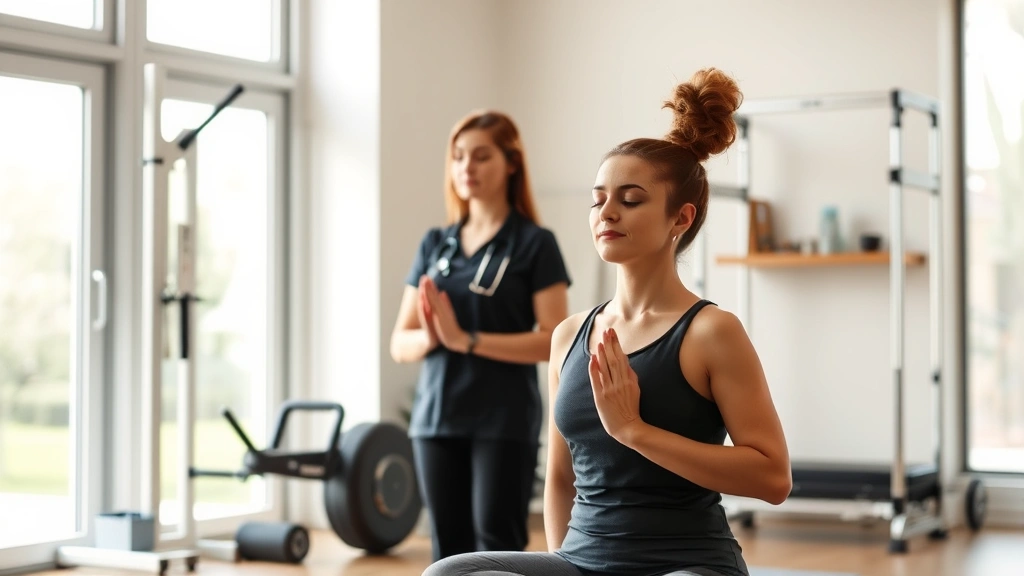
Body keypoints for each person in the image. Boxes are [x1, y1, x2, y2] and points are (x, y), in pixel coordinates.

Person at [421, 68, 792, 576]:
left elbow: (773, 477)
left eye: (631, 199)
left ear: (680, 219)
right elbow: (559, 477)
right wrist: (563, 565)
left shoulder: (710, 332)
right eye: (598, 199)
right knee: (448, 573)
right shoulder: (569, 336)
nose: (607, 213)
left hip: (684, 565)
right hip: (582, 563)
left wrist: (634, 431)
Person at [390, 110, 572, 563]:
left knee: (498, 546)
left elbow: (555, 340)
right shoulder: (436, 244)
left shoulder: (535, 243)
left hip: (503, 419)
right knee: (446, 552)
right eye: (457, 158)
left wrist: (467, 340)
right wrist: (437, 338)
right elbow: (400, 342)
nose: (466, 168)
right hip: (436, 418)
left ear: (511, 163)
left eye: (480, 156)